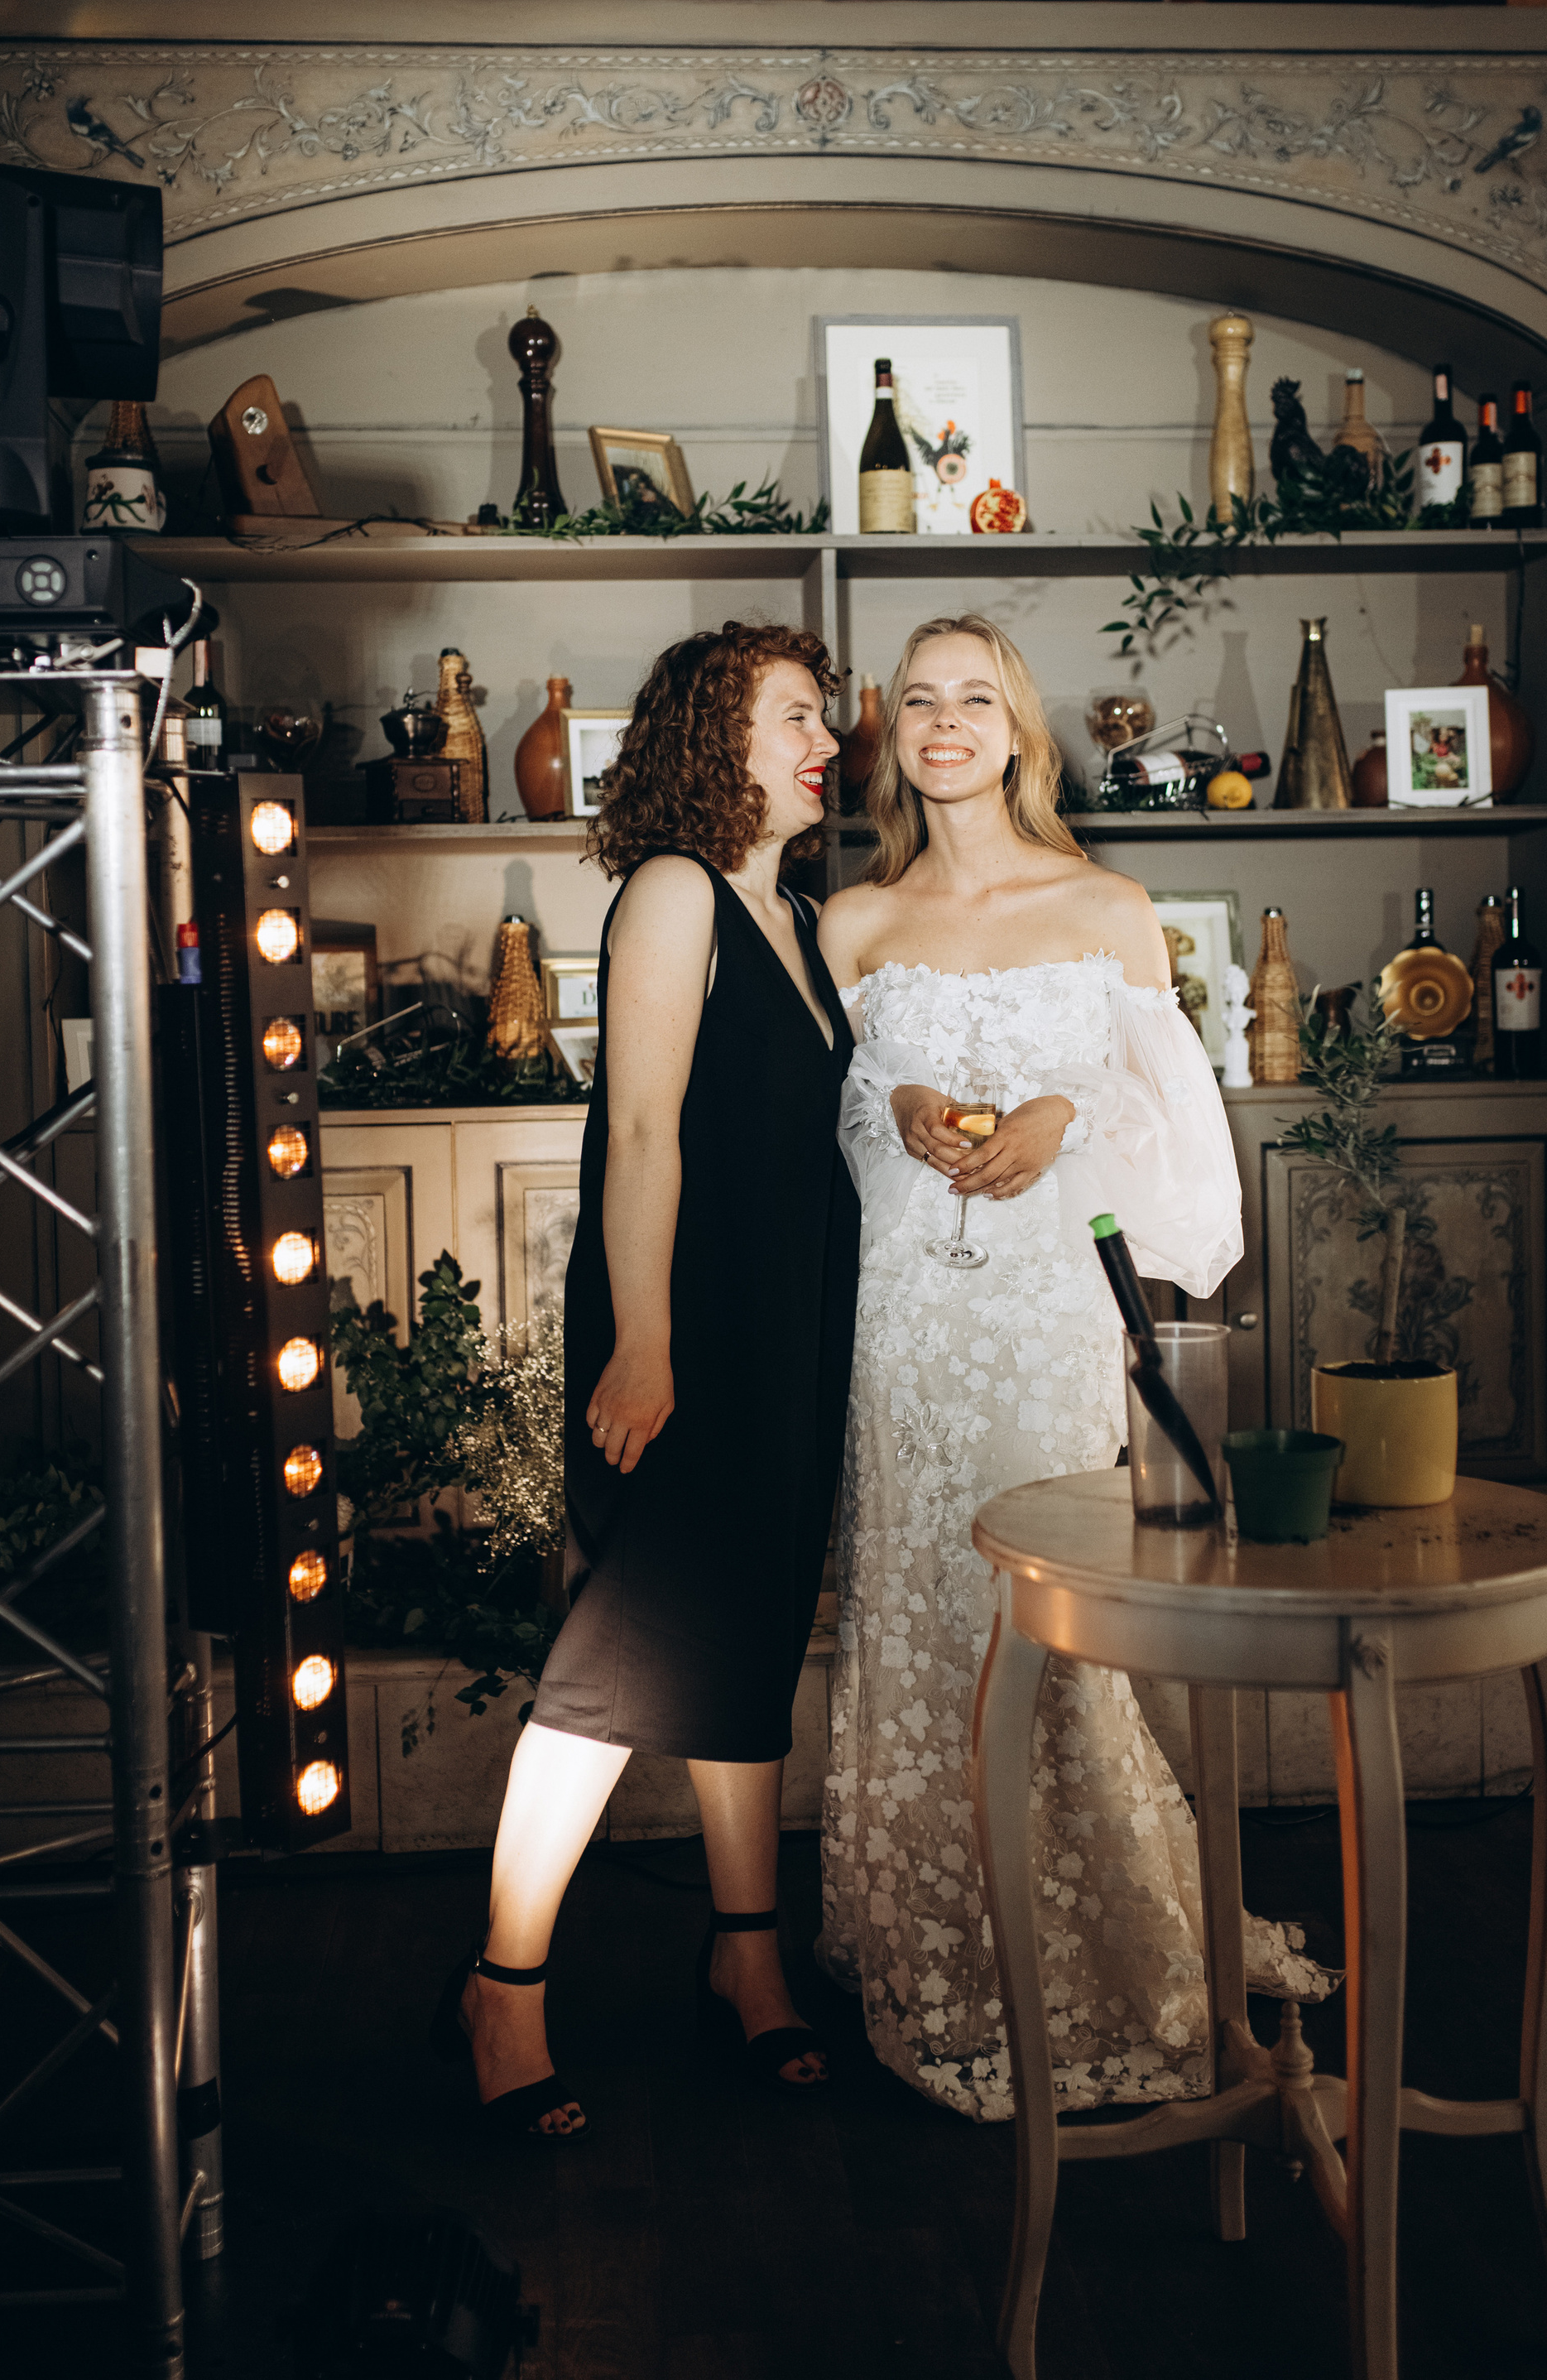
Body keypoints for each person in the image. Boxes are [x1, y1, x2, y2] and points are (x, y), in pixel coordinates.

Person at [814, 613, 1334, 2123]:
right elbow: (834, 1123)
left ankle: (1105, 1949)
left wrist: (1063, 1116)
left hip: (1048, 1315)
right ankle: (941, 1949)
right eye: (919, 699)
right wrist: (899, 1106)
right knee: (923, 1616)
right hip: (906, 1317)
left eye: (976, 698)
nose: (945, 721)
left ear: (1021, 733)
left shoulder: (1109, 906)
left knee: (1050, 1625)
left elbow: (1178, 1133)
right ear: (893, 735)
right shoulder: (851, 923)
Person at [430, 622, 859, 2137]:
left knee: (747, 1635)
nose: (829, 740)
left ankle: (747, 1958)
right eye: (797, 716)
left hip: (788, 1326)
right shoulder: (676, 890)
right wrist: (645, 1343)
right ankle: (504, 1983)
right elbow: (643, 1131)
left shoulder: (795, 912)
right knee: (609, 1671)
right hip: (688, 1329)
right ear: (715, 738)